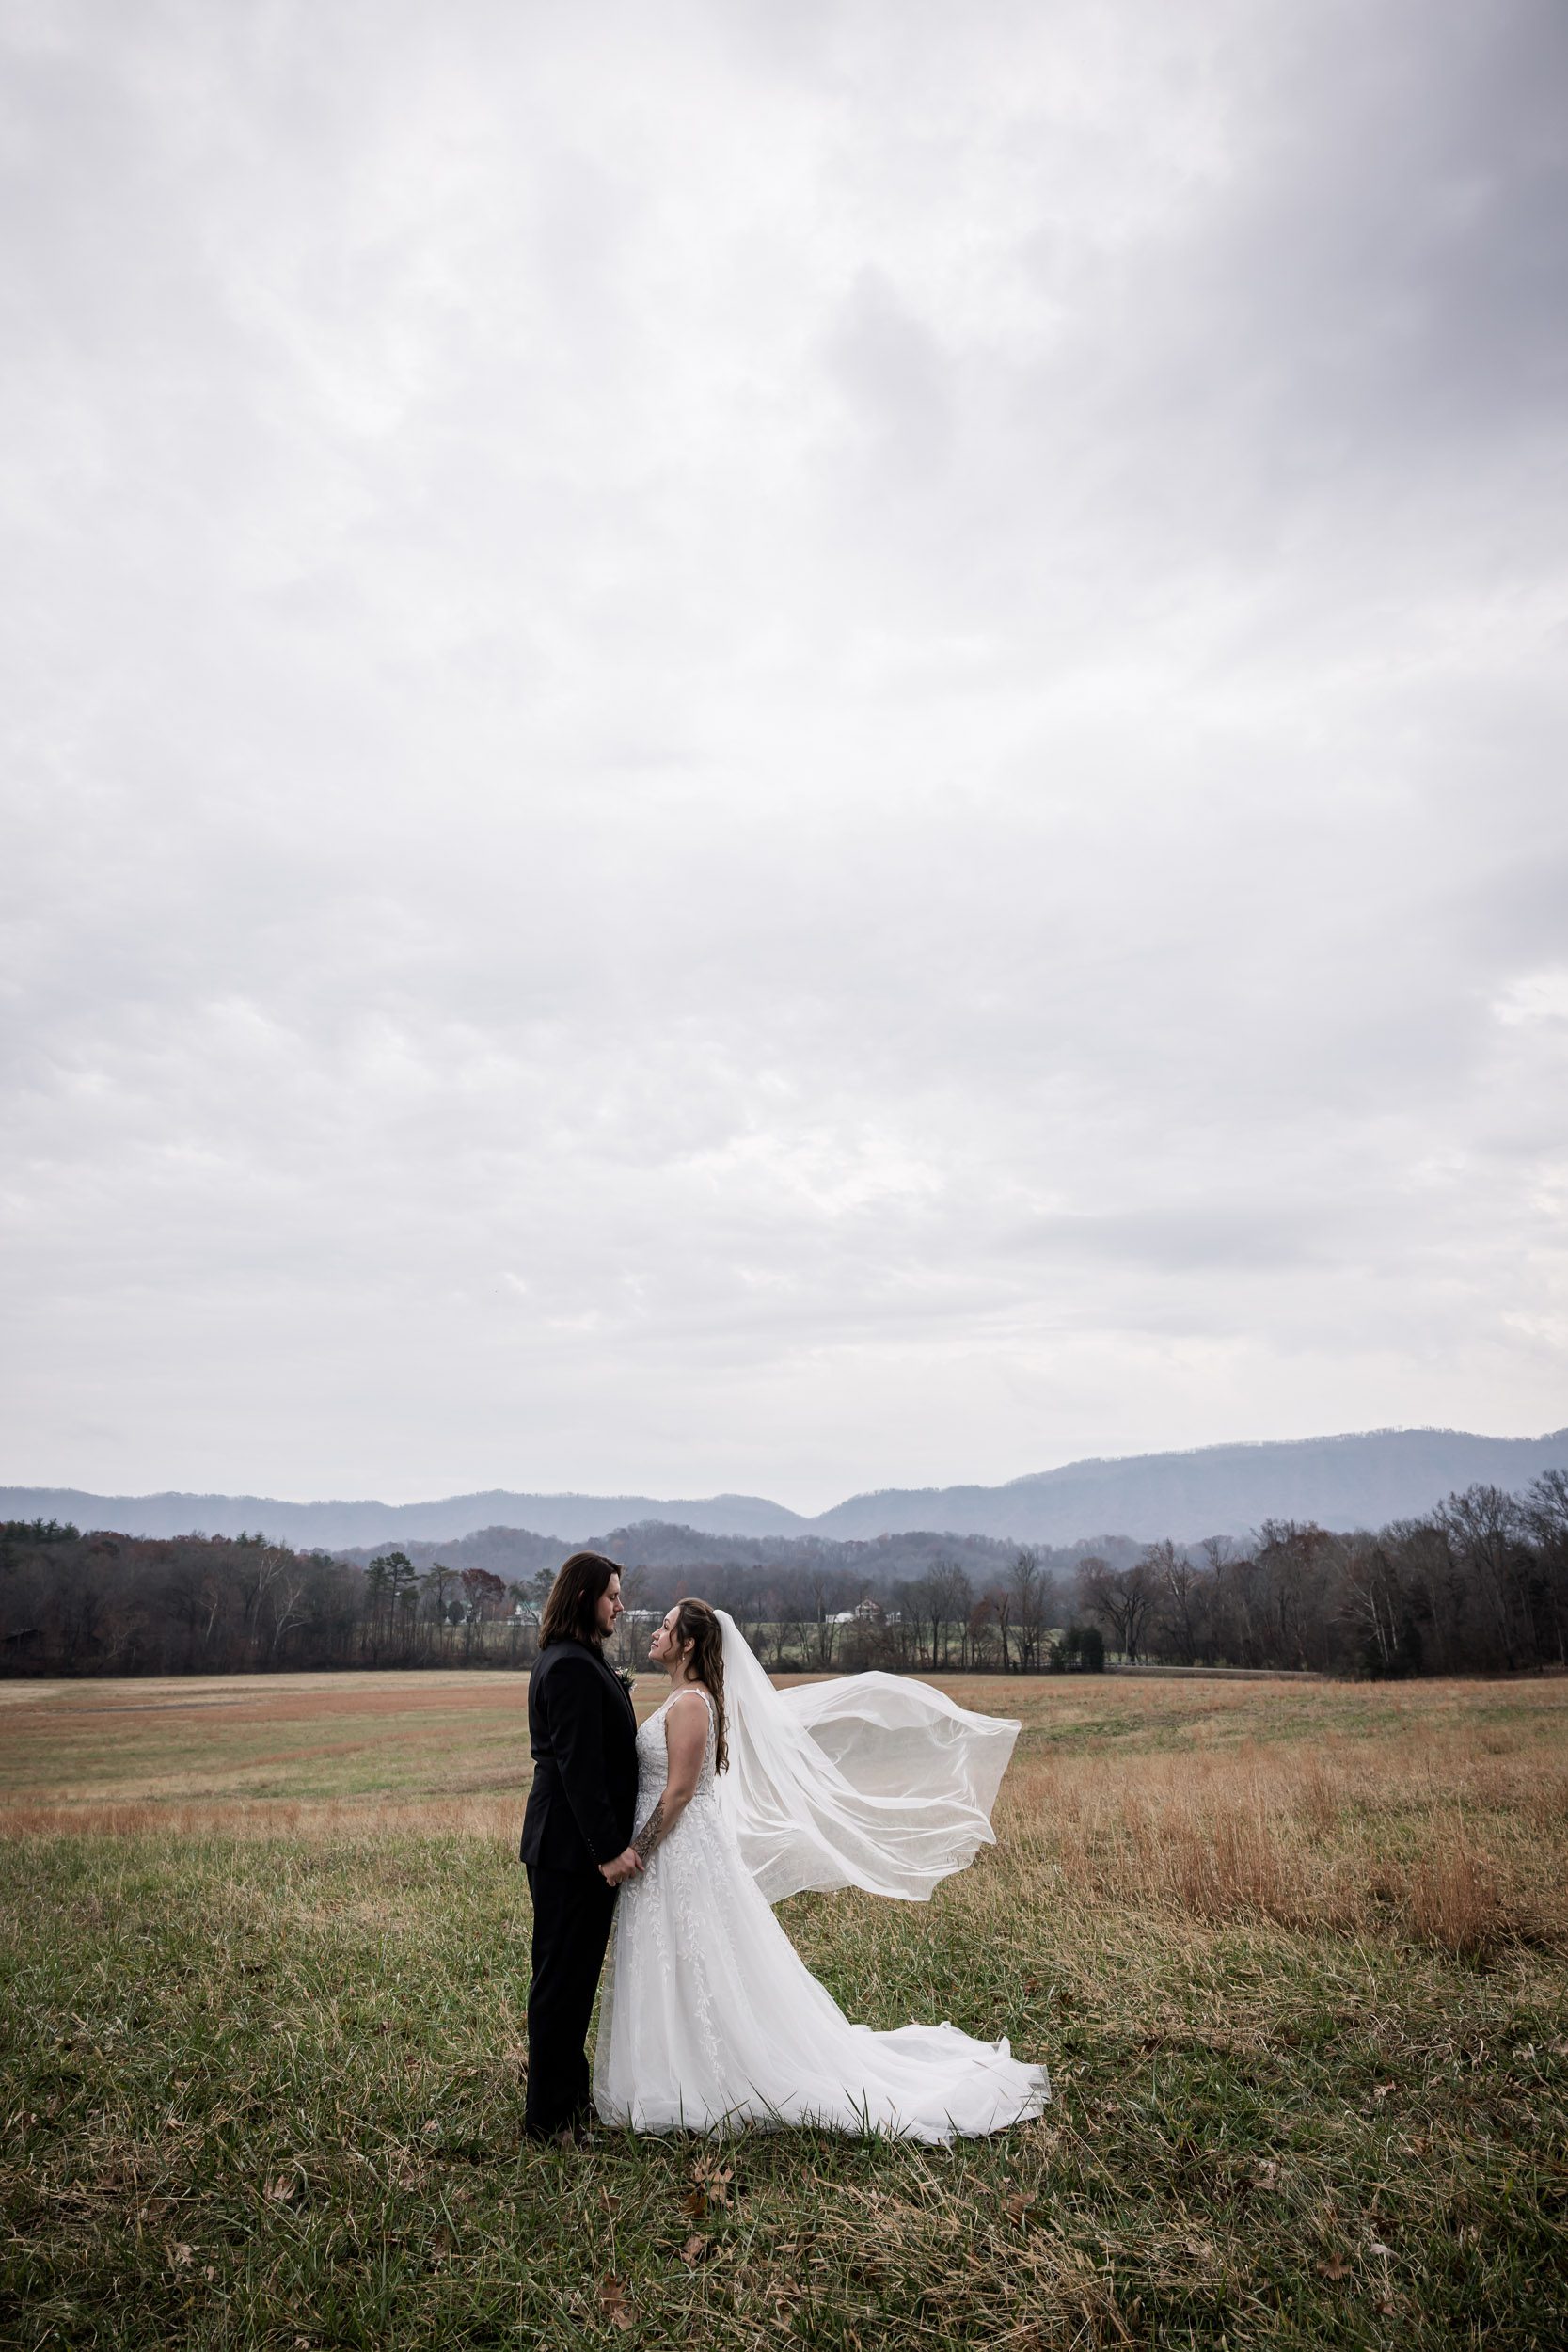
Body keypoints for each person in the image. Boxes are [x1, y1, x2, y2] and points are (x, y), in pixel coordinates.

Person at [593, 1598, 1049, 2141]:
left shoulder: (691, 1703)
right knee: (680, 1960)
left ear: (688, 1644)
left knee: (695, 1957)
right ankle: (668, 2065)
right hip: (675, 1854)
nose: (655, 1633)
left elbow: (681, 1792)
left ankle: (703, 2075)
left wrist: (636, 1852)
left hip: (679, 1852)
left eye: (666, 1628)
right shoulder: (682, 1696)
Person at [517, 1551, 641, 2141]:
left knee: (572, 1977)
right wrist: (608, 1850)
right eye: (612, 1595)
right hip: (569, 1851)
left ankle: (566, 2098)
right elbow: (578, 1770)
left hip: (570, 1850)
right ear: (584, 1597)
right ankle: (549, 2117)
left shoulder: (577, 1659)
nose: (621, 1605)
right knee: (562, 1981)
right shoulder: (568, 1667)